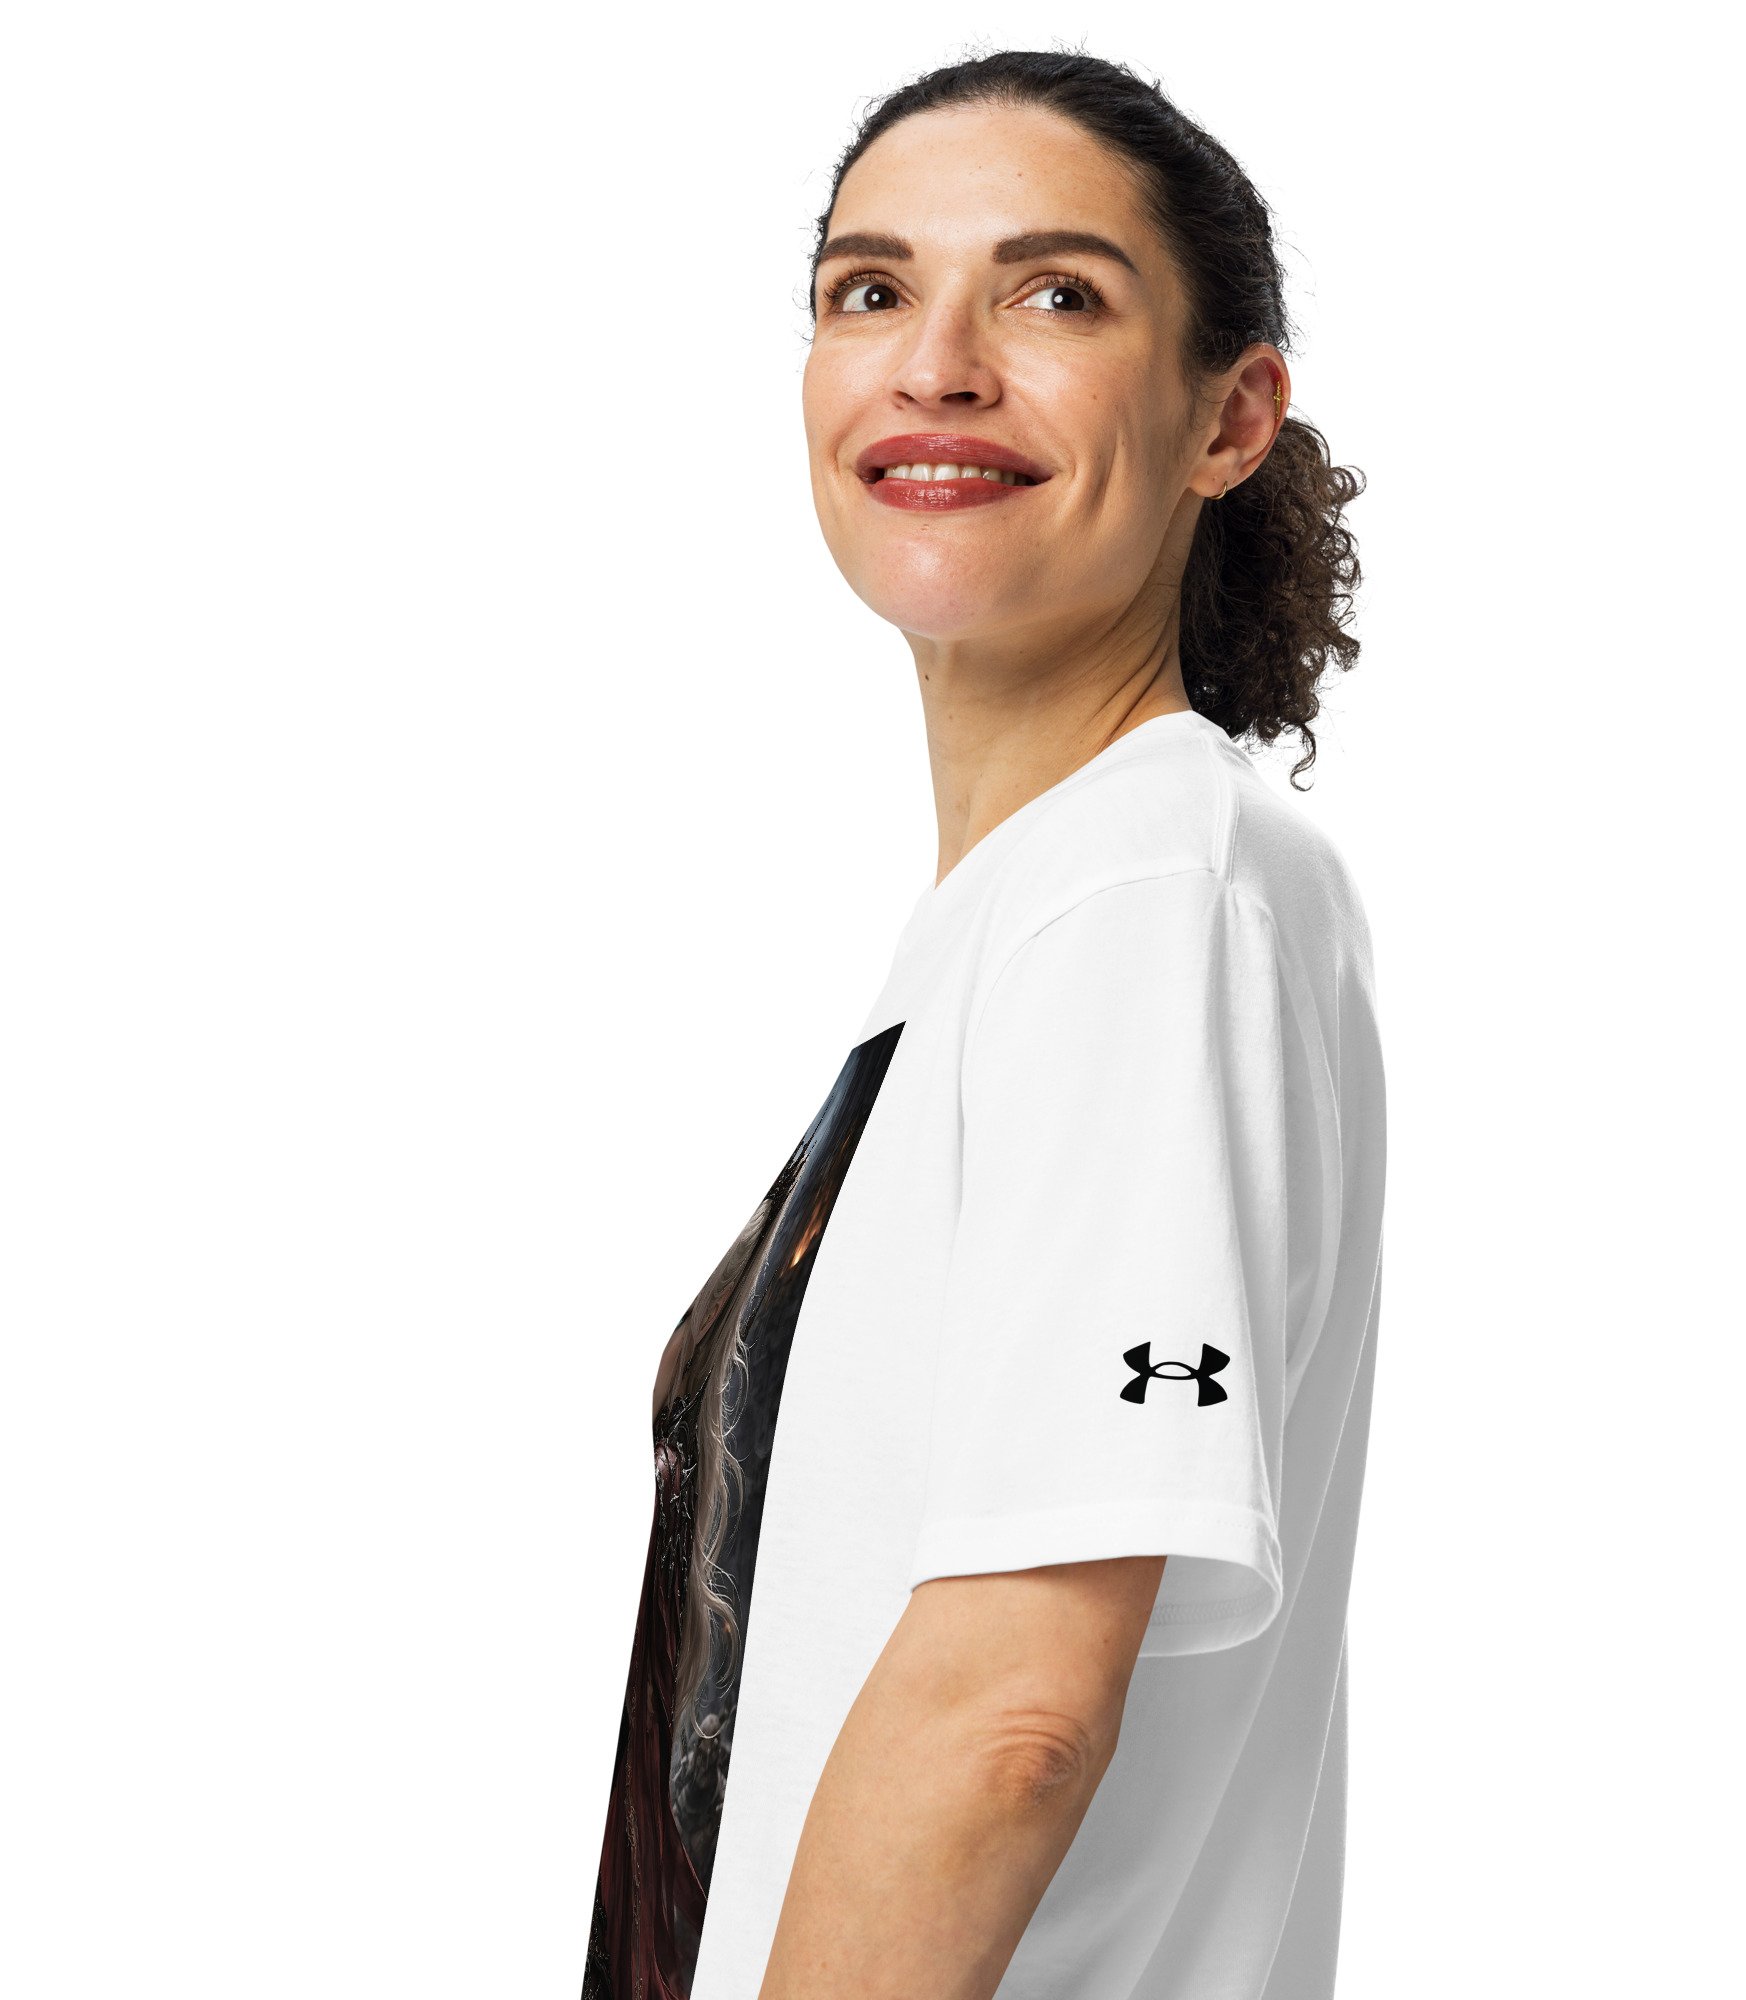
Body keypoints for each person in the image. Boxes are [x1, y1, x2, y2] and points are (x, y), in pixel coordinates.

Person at [581, 48, 1385, 2000]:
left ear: (1227, 418)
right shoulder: (1043, 909)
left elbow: (1009, 1717)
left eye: (1054, 295)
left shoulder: (1140, 889)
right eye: (871, 289)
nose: (934, 365)